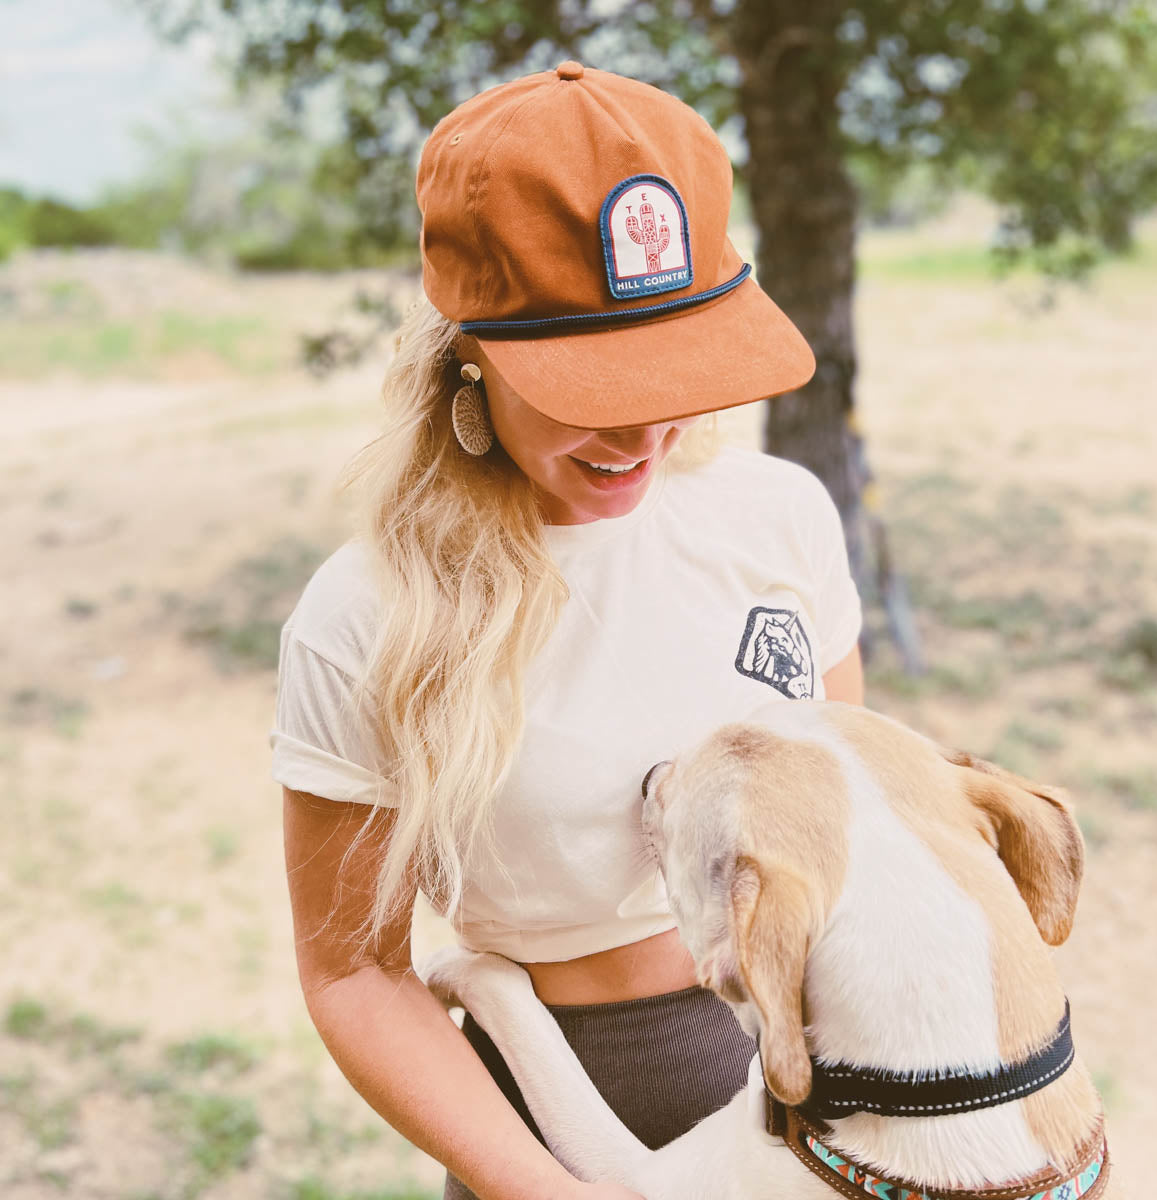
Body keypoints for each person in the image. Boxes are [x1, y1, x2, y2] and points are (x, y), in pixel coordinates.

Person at [270, 61, 865, 1200]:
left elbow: (857, 828)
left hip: (831, 1067)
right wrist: (539, 1187)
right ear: (471, 351)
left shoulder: (777, 515)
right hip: (566, 1108)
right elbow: (353, 972)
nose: (646, 431)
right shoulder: (366, 620)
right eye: (593, 385)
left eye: (676, 365)